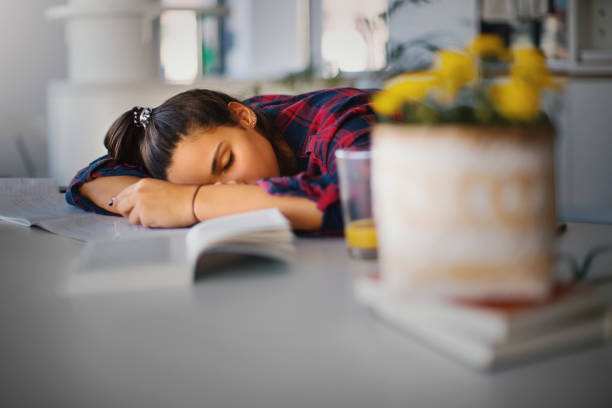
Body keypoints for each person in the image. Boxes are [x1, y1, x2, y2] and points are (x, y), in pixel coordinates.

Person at [66, 87, 376, 233]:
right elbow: (93, 176)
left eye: (225, 162)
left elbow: (370, 203)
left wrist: (194, 201)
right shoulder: (210, 143)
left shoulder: (335, 121)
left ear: (243, 116)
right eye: (205, 184)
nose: (228, 188)